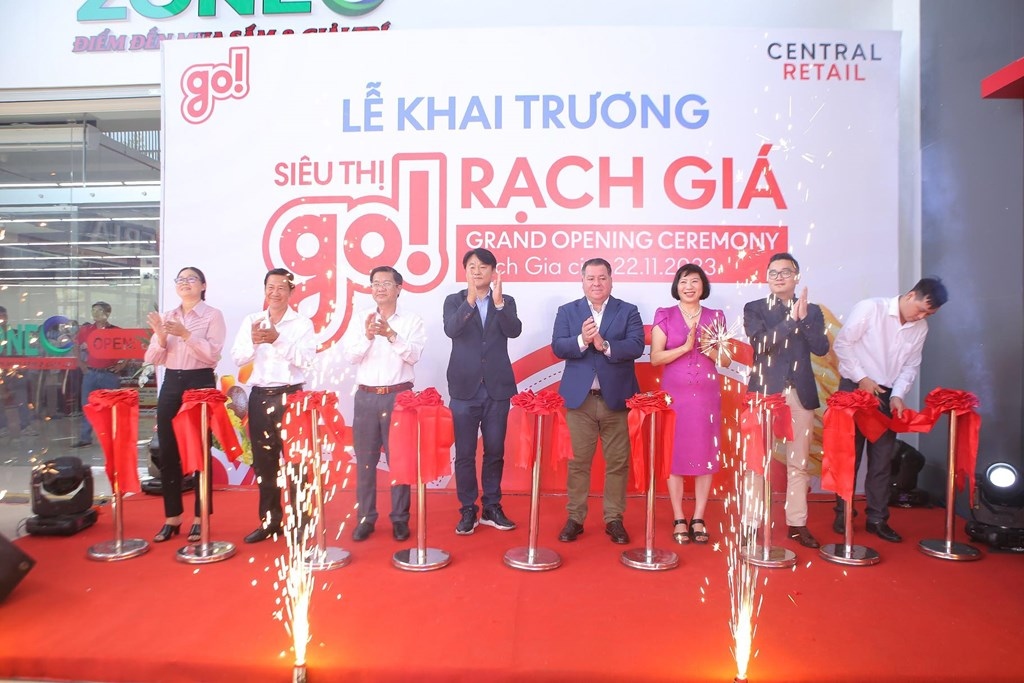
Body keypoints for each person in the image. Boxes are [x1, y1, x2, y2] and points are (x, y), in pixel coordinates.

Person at [831, 277, 948, 543]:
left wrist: (897, 395)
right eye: (920, 309)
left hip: (885, 395)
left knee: (882, 459)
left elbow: (910, 365)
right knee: (848, 456)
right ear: (910, 295)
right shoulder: (871, 308)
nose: (921, 316)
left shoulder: (920, 328)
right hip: (855, 389)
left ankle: (877, 519)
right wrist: (861, 378)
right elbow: (843, 344)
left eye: (928, 314)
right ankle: (843, 513)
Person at [551, 257, 644, 545]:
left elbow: (637, 346)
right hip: (580, 401)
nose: (596, 283)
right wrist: (582, 340)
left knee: (617, 463)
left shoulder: (628, 310)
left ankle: (614, 519)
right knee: (578, 463)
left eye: (602, 278)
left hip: (616, 399)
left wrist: (604, 345)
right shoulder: (568, 311)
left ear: (611, 280)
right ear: (582, 281)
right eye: (591, 278)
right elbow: (558, 346)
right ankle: (575, 518)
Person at [743, 252, 830, 549]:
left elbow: (821, 348)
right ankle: (751, 523)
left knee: (799, 463)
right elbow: (761, 344)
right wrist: (791, 320)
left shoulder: (813, 310)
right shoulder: (754, 309)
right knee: (757, 462)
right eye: (773, 273)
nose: (779, 277)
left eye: (785, 272)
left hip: (800, 394)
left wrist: (803, 320)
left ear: (797, 277)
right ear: (767, 278)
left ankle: (796, 523)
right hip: (765, 392)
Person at [230, 268, 316, 543]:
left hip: (291, 398)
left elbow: (306, 360)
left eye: (281, 288)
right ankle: (270, 522)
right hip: (259, 397)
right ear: (264, 290)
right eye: (270, 287)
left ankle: (302, 523)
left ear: (291, 292)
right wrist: (255, 343)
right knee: (265, 465)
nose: (275, 292)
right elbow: (237, 358)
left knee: (296, 464)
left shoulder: (302, 324)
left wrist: (277, 339)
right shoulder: (252, 321)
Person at [342, 266, 426, 542]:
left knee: (399, 461)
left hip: (399, 397)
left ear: (399, 288)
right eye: (375, 283)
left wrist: (391, 334)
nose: (379, 288)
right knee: (365, 461)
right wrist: (367, 336)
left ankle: (400, 519)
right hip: (366, 396)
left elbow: (413, 356)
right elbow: (351, 357)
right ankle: (365, 518)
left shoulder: (412, 320)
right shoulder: (359, 319)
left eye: (386, 283)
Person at [144, 267, 226, 543]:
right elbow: (153, 356)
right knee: (167, 450)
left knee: (201, 450)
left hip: (199, 382)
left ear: (203, 285)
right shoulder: (168, 316)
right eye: (181, 280)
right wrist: (162, 335)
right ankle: (172, 517)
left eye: (191, 279)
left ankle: (200, 517)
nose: (185, 284)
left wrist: (187, 335)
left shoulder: (212, 315)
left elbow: (212, 355)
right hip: (171, 382)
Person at [443, 248, 522, 535]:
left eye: (483, 267)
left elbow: (514, 331)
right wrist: (470, 301)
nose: (477, 271)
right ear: (465, 271)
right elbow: (452, 330)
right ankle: (467, 509)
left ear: (493, 272)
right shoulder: (454, 301)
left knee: (495, 451)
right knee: (464, 453)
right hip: (464, 389)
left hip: (497, 389)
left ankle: (492, 506)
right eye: (472, 266)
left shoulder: (506, 301)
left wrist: (498, 305)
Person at [651, 264, 731, 545]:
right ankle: (678, 516)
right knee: (674, 455)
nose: (689, 286)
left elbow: (726, 361)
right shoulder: (665, 315)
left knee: (705, 455)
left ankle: (698, 516)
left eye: (695, 281)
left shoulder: (716, 317)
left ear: (703, 286)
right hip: (675, 398)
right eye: (684, 281)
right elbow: (655, 358)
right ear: (677, 286)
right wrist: (685, 348)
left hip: (707, 398)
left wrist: (710, 347)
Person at [74, 301, 126, 447]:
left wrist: (123, 363)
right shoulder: (86, 330)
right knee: (87, 406)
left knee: (112, 407)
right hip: (90, 372)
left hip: (109, 373)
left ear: (107, 313)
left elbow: (129, 346)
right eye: (93, 310)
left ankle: (113, 438)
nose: (95, 313)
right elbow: (76, 346)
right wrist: (81, 363)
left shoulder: (116, 331)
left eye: (99, 310)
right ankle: (85, 438)